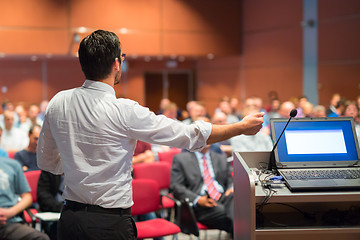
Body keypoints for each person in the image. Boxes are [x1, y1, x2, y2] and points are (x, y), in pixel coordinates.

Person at [37, 29, 264, 240]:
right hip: (110, 224)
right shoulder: (124, 110)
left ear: (82, 63)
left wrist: (78, 165)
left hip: (70, 219)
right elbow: (189, 135)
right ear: (117, 63)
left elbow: (46, 161)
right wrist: (241, 127)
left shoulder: (58, 101)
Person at [170, 141, 234, 235]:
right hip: (201, 204)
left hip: (223, 197)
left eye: (208, 137)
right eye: (201, 137)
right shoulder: (181, 159)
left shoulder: (220, 158)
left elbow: (230, 180)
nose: (205, 140)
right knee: (242, 216)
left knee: (238, 202)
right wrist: (198, 199)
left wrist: (230, 188)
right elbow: (176, 187)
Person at [0, 157, 50, 240]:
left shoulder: (13, 165)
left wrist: (10, 212)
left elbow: (27, 197)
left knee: (41, 238)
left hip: (9, 222)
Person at [37, 170, 64, 240]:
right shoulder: (50, 169)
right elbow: (43, 195)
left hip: (74, 211)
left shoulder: (80, 173)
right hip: (53, 210)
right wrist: (61, 208)